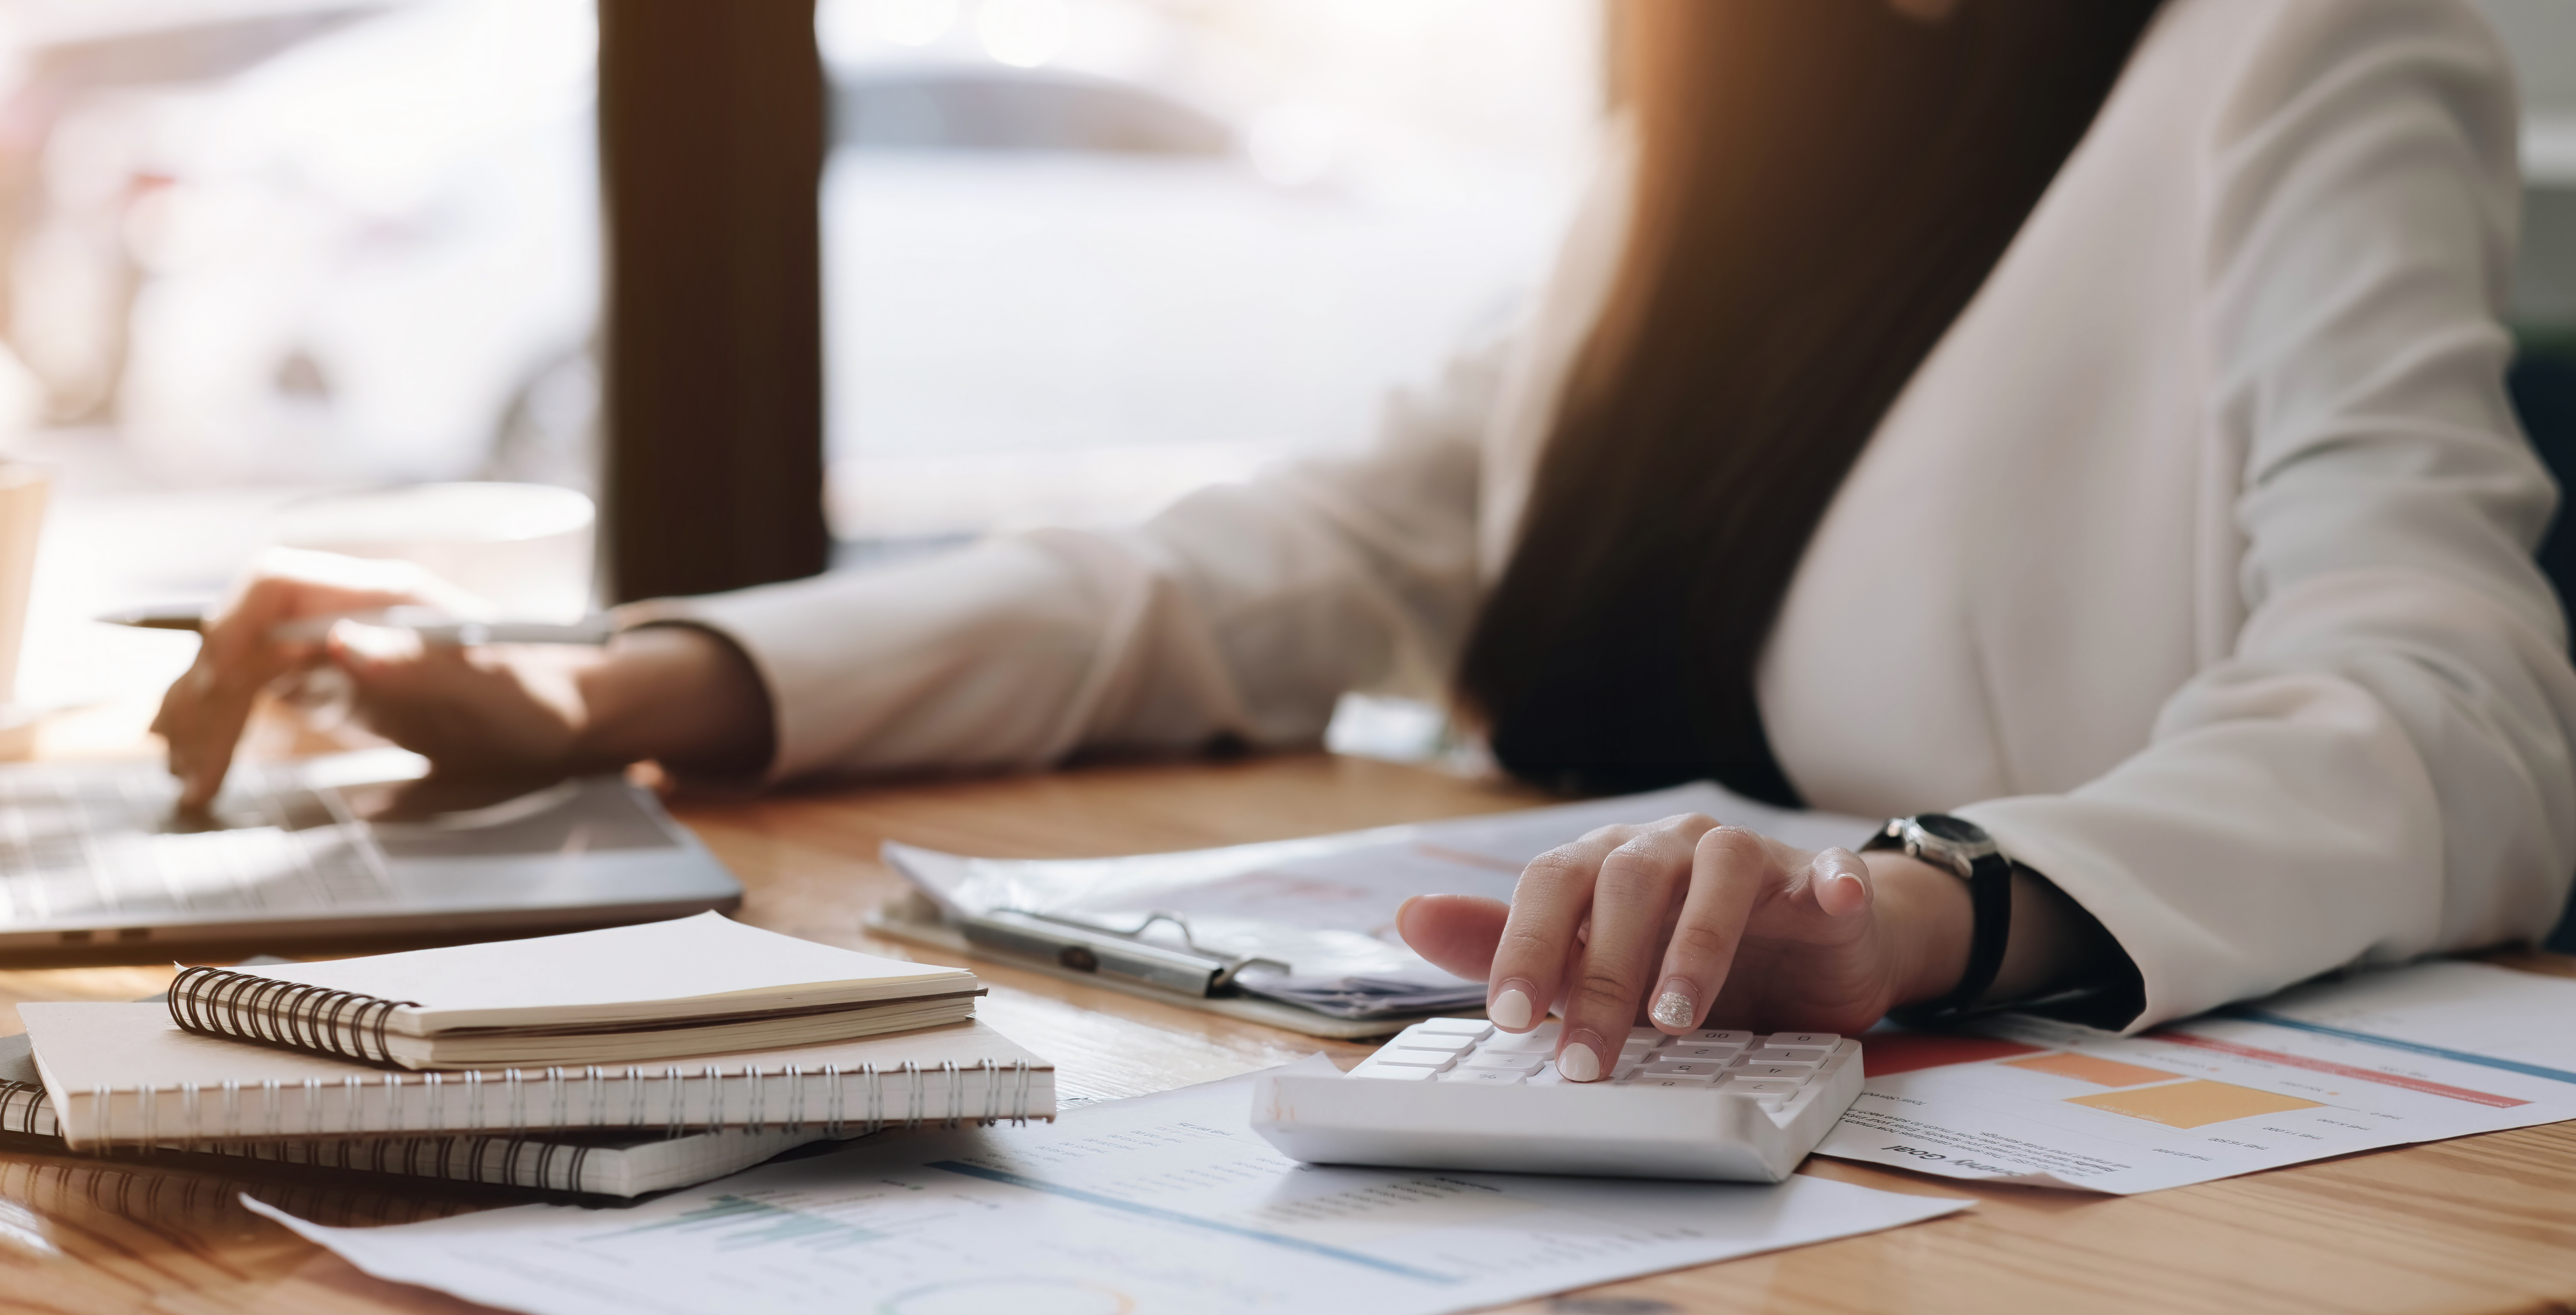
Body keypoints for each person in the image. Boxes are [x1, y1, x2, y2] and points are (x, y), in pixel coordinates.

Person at [154, 0, 2576, 1084]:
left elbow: (2455, 702)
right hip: (1572, 1143)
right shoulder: (1718, 96)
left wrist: (1938, 904)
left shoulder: (2300, 46)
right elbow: (1287, 562)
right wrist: (622, 684)